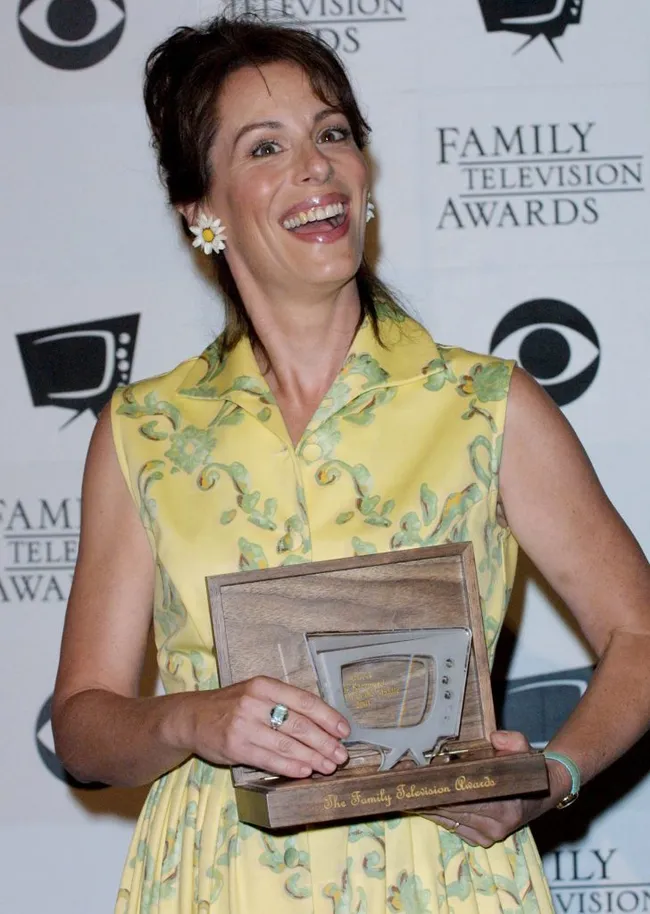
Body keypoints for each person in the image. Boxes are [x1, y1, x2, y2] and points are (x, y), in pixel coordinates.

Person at [51, 15, 650, 914]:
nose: (316, 165)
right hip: (222, 879)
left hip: (442, 876)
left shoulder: (487, 406)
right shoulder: (144, 429)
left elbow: (641, 638)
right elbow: (85, 724)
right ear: (202, 211)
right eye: (266, 146)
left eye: (333, 134)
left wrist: (554, 774)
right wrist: (191, 717)